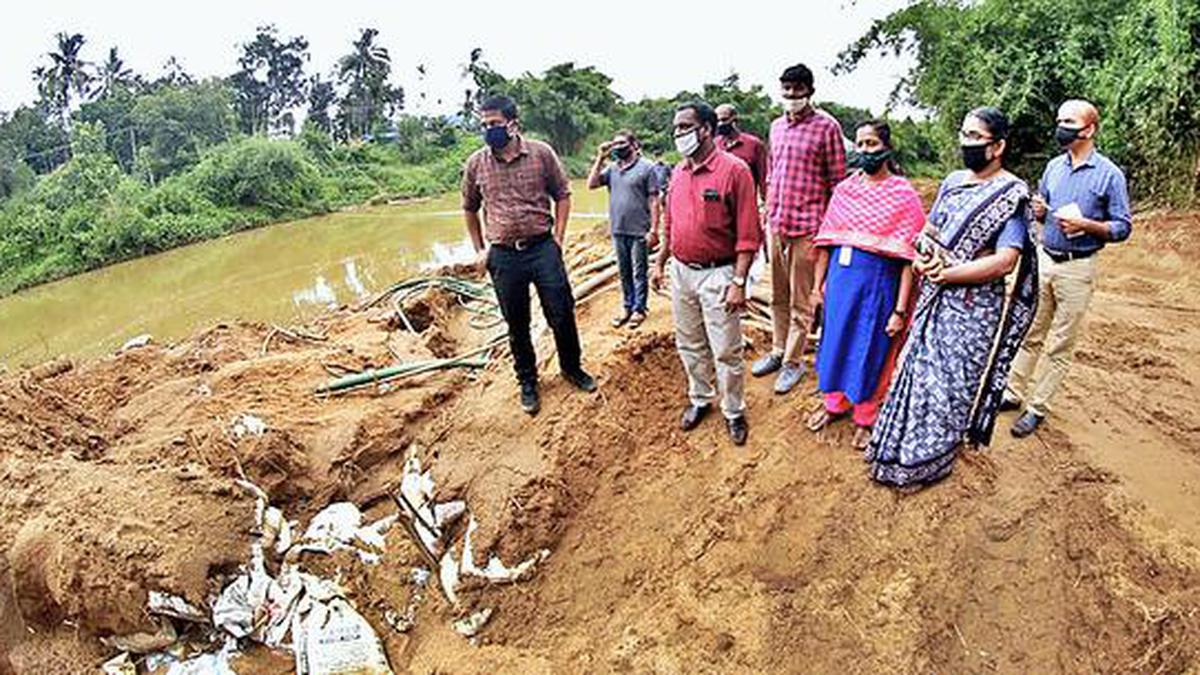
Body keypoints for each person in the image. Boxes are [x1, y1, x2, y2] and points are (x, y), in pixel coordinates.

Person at [866, 107, 1039, 488]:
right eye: (964, 134)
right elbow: (929, 229)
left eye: (976, 137)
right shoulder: (954, 181)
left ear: (998, 147)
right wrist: (925, 253)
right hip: (934, 295)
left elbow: (1005, 261)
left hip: (972, 308)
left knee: (949, 384)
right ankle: (897, 449)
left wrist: (949, 273)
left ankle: (931, 459)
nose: (967, 142)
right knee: (917, 372)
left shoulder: (1011, 195)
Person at [461, 95, 596, 416]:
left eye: (494, 124)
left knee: (561, 312)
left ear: (513, 123)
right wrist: (480, 250)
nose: (488, 130)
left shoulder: (541, 153)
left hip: (542, 248)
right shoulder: (476, 163)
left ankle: (572, 368)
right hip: (504, 256)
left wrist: (559, 238)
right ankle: (528, 382)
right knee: (516, 322)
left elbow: (563, 194)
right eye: (484, 125)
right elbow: (469, 207)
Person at [1005, 99, 1133, 437]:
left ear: (1089, 129)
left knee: (1060, 343)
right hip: (1046, 259)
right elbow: (1042, 209)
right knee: (1031, 331)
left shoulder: (1109, 175)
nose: (1061, 126)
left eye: (1069, 121)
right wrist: (1041, 211)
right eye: (1059, 119)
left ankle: (1037, 407)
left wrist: (1089, 226)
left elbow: (1122, 226)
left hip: (1078, 268)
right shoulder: (1053, 168)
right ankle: (1013, 391)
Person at [806, 120, 926, 449]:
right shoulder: (845, 191)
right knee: (835, 345)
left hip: (879, 290)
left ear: (886, 148)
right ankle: (834, 404)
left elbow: (909, 259)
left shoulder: (903, 195)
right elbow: (827, 244)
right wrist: (818, 290)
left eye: (871, 144)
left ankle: (866, 416)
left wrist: (900, 310)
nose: (864, 151)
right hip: (840, 288)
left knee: (869, 350)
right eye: (859, 144)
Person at [650, 101, 761, 446]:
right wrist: (660, 261)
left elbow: (748, 234)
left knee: (726, 348)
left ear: (707, 130)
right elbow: (672, 222)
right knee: (689, 342)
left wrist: (738, 282)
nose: (678, 133)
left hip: (720, 273)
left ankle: (733, 410)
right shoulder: (678, 173)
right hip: (682, 272)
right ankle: (700, 398)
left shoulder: (735, 171)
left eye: (685, 127)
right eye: (676, 128)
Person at [753, 63, 847, 395]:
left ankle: (794, 362)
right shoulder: (776, 126)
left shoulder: (827, 127)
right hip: (777, 223)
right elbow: (771, 173)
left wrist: (829, 232)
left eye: (797, 90)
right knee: (777, 294)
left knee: (801, 300)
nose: (791, 96)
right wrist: (766, 214)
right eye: (786, 89)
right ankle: (779, 350)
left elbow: (837, 183)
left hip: (809, 227)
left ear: (810, 90)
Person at [586, 129, 661, 328]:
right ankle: (627, 306)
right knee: (624, 271)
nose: (618, 147)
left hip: (639, 230)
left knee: (639, 271)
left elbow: (654, 200)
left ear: (634, 145)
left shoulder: (647, 168)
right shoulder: (612, 169)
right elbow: (591, 184)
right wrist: (600, 157)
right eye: (615, 144)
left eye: (622, 143)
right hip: (618, 229)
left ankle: (639, 309)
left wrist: (654, 229)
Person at [715, 104, 768, 202]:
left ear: (734, 119)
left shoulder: (754, 144)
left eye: (724, 120)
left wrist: (766, 202)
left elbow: (763, 176)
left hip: (746, 200)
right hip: (720, 202)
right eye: (717, 121)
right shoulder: (715, 145)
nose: (720, 124)